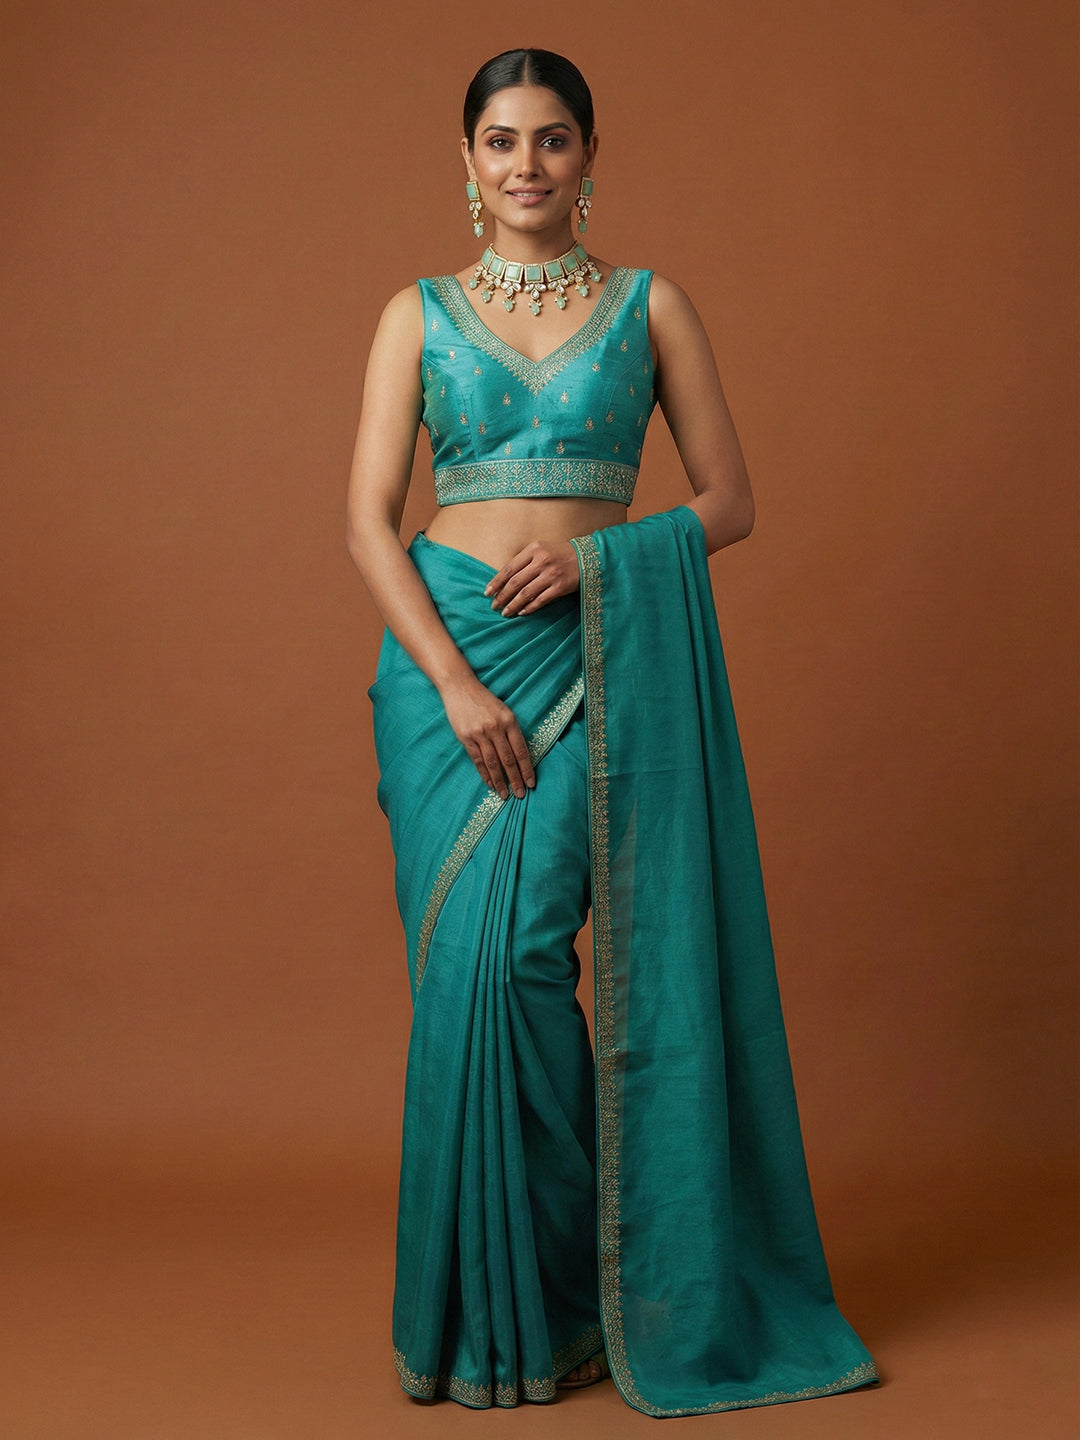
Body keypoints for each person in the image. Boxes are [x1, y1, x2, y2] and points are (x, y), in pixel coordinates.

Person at [346, 48, 879, 1418]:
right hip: (451, 671)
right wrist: (454, 686)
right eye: (502, 140)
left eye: (553, 139)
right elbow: (366, 521)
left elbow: (730, 501)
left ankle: (591, 1291)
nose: (527, 164)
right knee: (466, 980)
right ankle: (495, 1314)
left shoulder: (653, 306)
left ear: (589, 156)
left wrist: (600, 564)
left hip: (596, 659)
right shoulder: (416, 314)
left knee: (527, 958)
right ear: (467, 162)